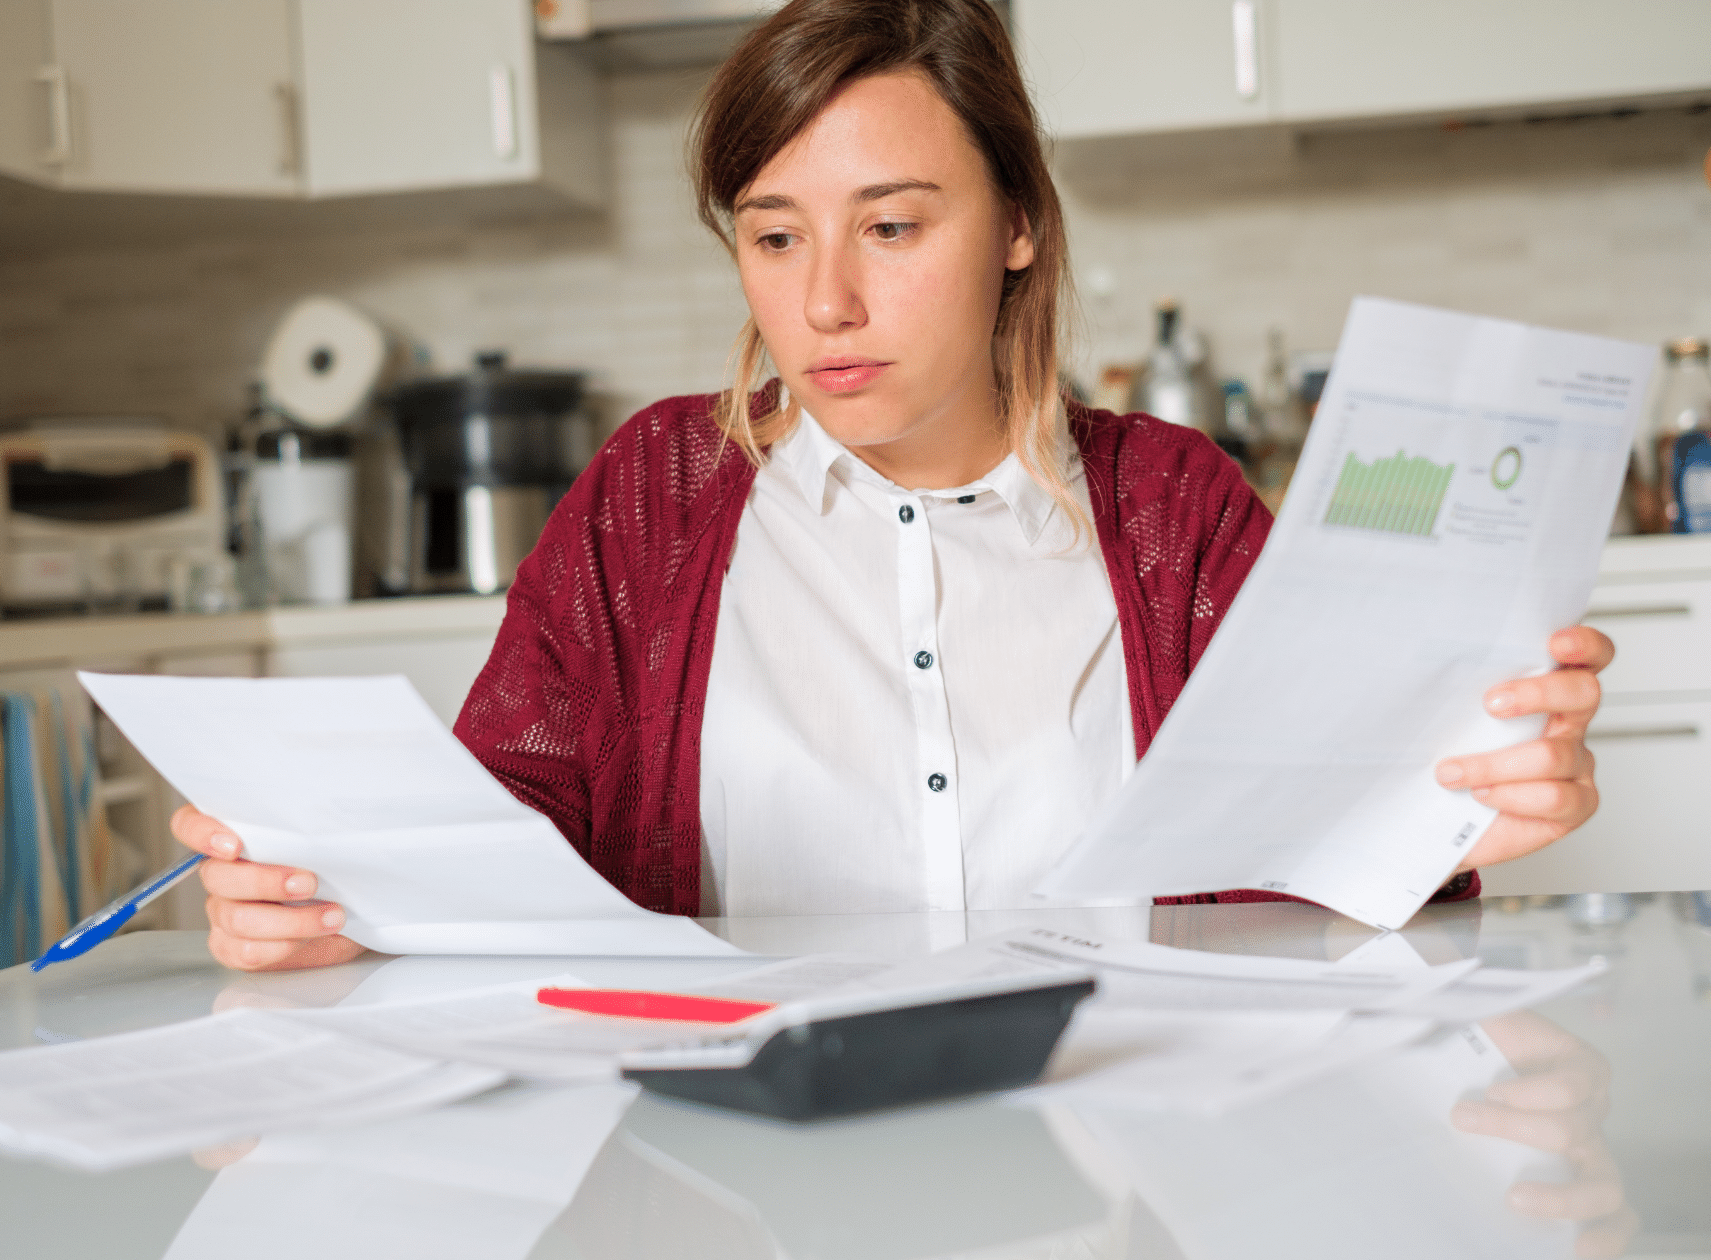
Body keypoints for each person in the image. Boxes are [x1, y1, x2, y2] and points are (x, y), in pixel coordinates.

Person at [172, 0, 1612, 973]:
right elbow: (495, 832)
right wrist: (337, 898)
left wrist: (1454, 823)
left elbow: (1318, 864)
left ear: (1021, 226)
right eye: (776, 237)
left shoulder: (1175, 510)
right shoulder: (652, 497)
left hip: (1136, 1183)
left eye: (894, 224)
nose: (829, 302)